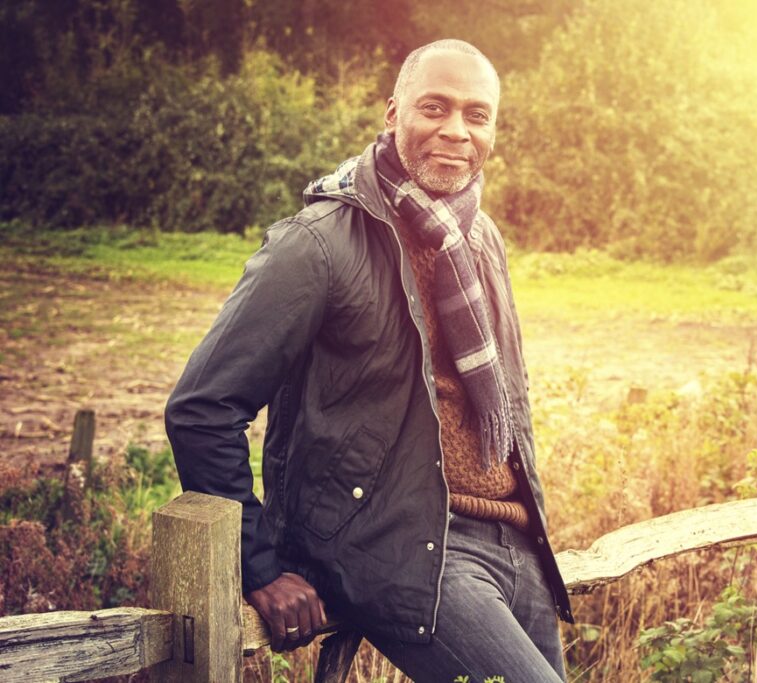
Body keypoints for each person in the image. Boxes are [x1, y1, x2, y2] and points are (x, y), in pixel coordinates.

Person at [165, 39, 574, 681]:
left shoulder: (481, 236)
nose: (456, 130)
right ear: (392, 114)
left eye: (477, 115)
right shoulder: (318, 246)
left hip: (515, 537)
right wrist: (259, 565)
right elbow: (202, 408)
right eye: (434, 108)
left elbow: (505, 403)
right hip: (403, 545)